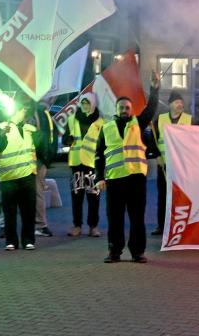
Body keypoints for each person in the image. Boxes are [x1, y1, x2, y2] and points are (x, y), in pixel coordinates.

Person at [95, 73, 160, 263]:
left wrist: (155, 89)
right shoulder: (106, 129)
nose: (124, 110)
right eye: (121, 107)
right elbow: (99, 156)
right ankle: (114, 251)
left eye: (127, 108)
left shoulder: (138, 123)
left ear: (132, 110)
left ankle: (137, 252)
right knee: (115, 218)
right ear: (116, 109)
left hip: (136, 178)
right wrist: (100, 177)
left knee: (137, 217)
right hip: (114, 180)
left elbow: (151, 109)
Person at [0, 102, 39, 251]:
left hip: (28, 175)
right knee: (10, 211)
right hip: (8, 177)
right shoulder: (0, 128)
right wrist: (1, 137)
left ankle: (28, 240)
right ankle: (11, 241)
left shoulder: (28, 129)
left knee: (29, 210)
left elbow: (40, 145)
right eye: (23, 110)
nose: (24, 113)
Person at [152, 91, 191, 236]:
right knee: (163, 196)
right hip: (164, 164)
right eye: (176, 102)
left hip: (182, 166)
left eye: (181, 102)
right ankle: (161, 226)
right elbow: (152, 139)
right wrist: (156, 156)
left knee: (181, 196)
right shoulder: (159, 120)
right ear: (169, 105)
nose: (180, 104)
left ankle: (180, 225)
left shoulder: (189, 120)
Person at [67, 93, 104, 238]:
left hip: (92, 165)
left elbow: (102, 145)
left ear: (93, 104)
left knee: (93, 197)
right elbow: (66, 138)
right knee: (77, 196)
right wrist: (67, 139)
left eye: (87, 103)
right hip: (76, 164)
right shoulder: (72, 119)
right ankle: (77, 226)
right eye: (82, 103)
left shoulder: (100, 123)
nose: (85, 106)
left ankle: (93, 226)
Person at [33, 100, 56, 237]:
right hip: (24, 160)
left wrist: (46, 159)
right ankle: (5, 225)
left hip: (38, 160)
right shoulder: (42, 113)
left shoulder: (43, 113)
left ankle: (40, 225)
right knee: (12, 194)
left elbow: (50, 137)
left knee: (37, 192)